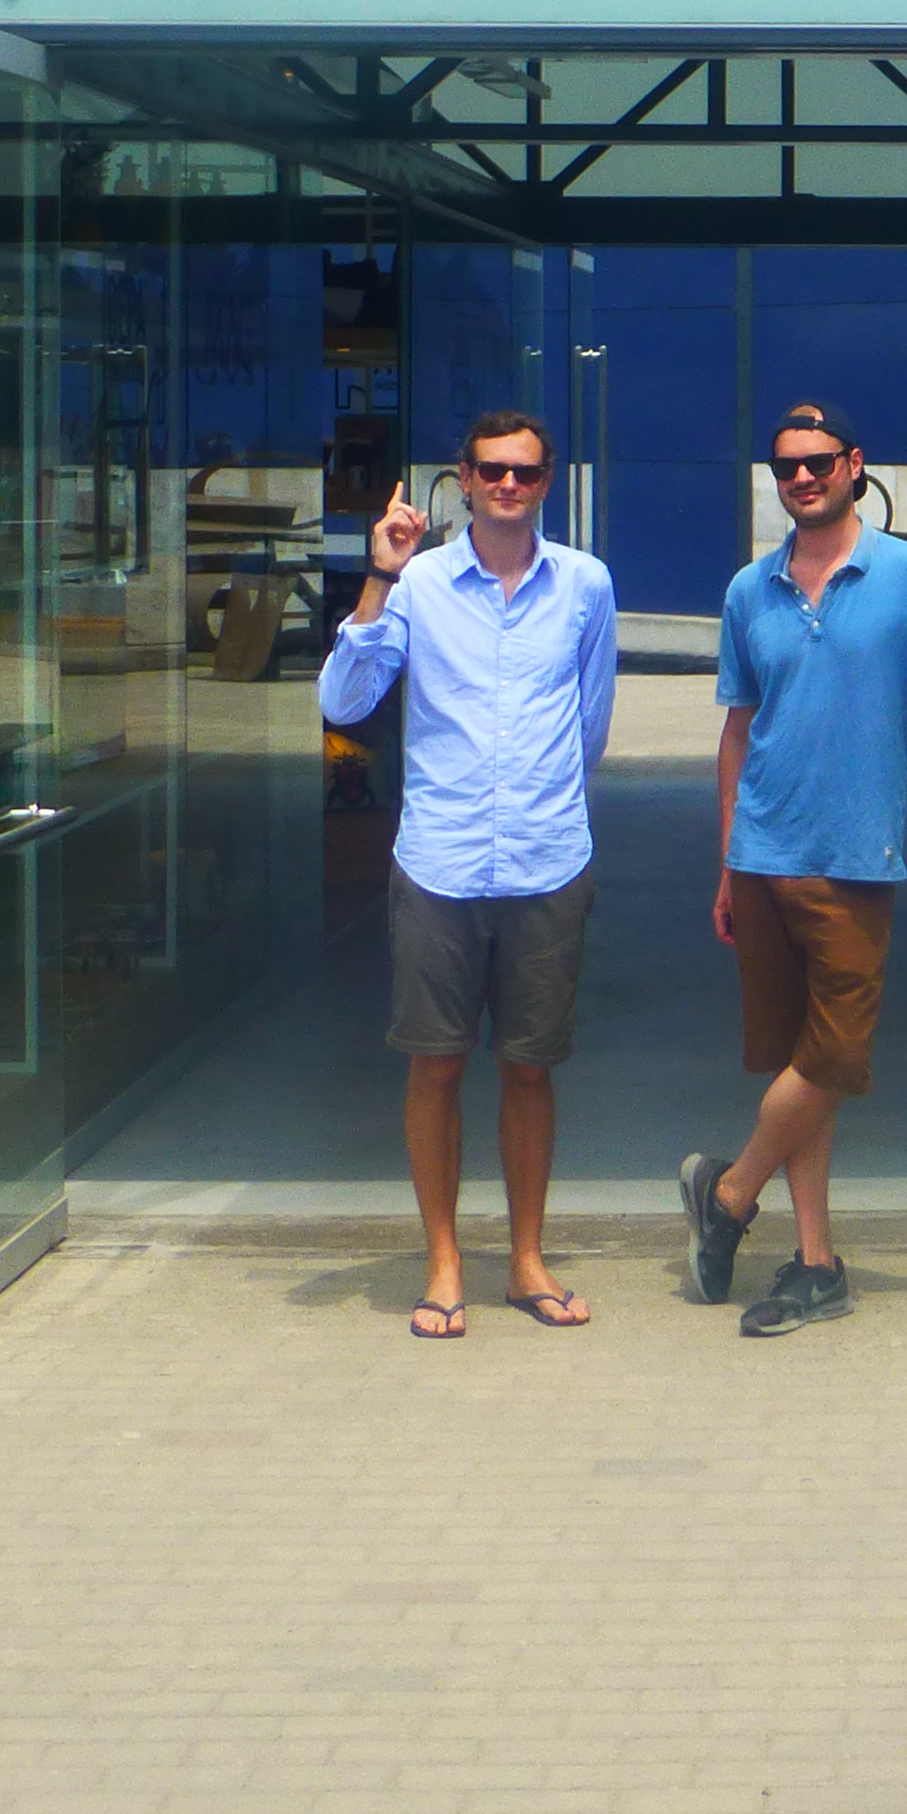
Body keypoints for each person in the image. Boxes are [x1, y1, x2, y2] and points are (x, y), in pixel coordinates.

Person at [682, 403, 907, 1336]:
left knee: (832, 1056)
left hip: (853, 860)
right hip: (760, 856)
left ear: (855, 465)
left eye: (818, 462)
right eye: (786, 467)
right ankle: (816, 1265)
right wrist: (725, 864)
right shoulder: (750, 590)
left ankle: (728, 1193)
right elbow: (737, 735)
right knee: (801, 1059)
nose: (802, 478)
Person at [315, 410, 618, 1340]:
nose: (508, 486)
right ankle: (444, 1261)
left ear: (547, 481)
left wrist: (547, 805)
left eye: (524, 472)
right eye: (492, 471)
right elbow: (343, 703)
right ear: (465, 477)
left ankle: (525, 1260)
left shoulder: (585, 583)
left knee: (529, 1069)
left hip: (546, 861)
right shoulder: (419, 584)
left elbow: (591, 721)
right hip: (439, 863)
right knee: (435, 1065)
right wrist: (379, 575)